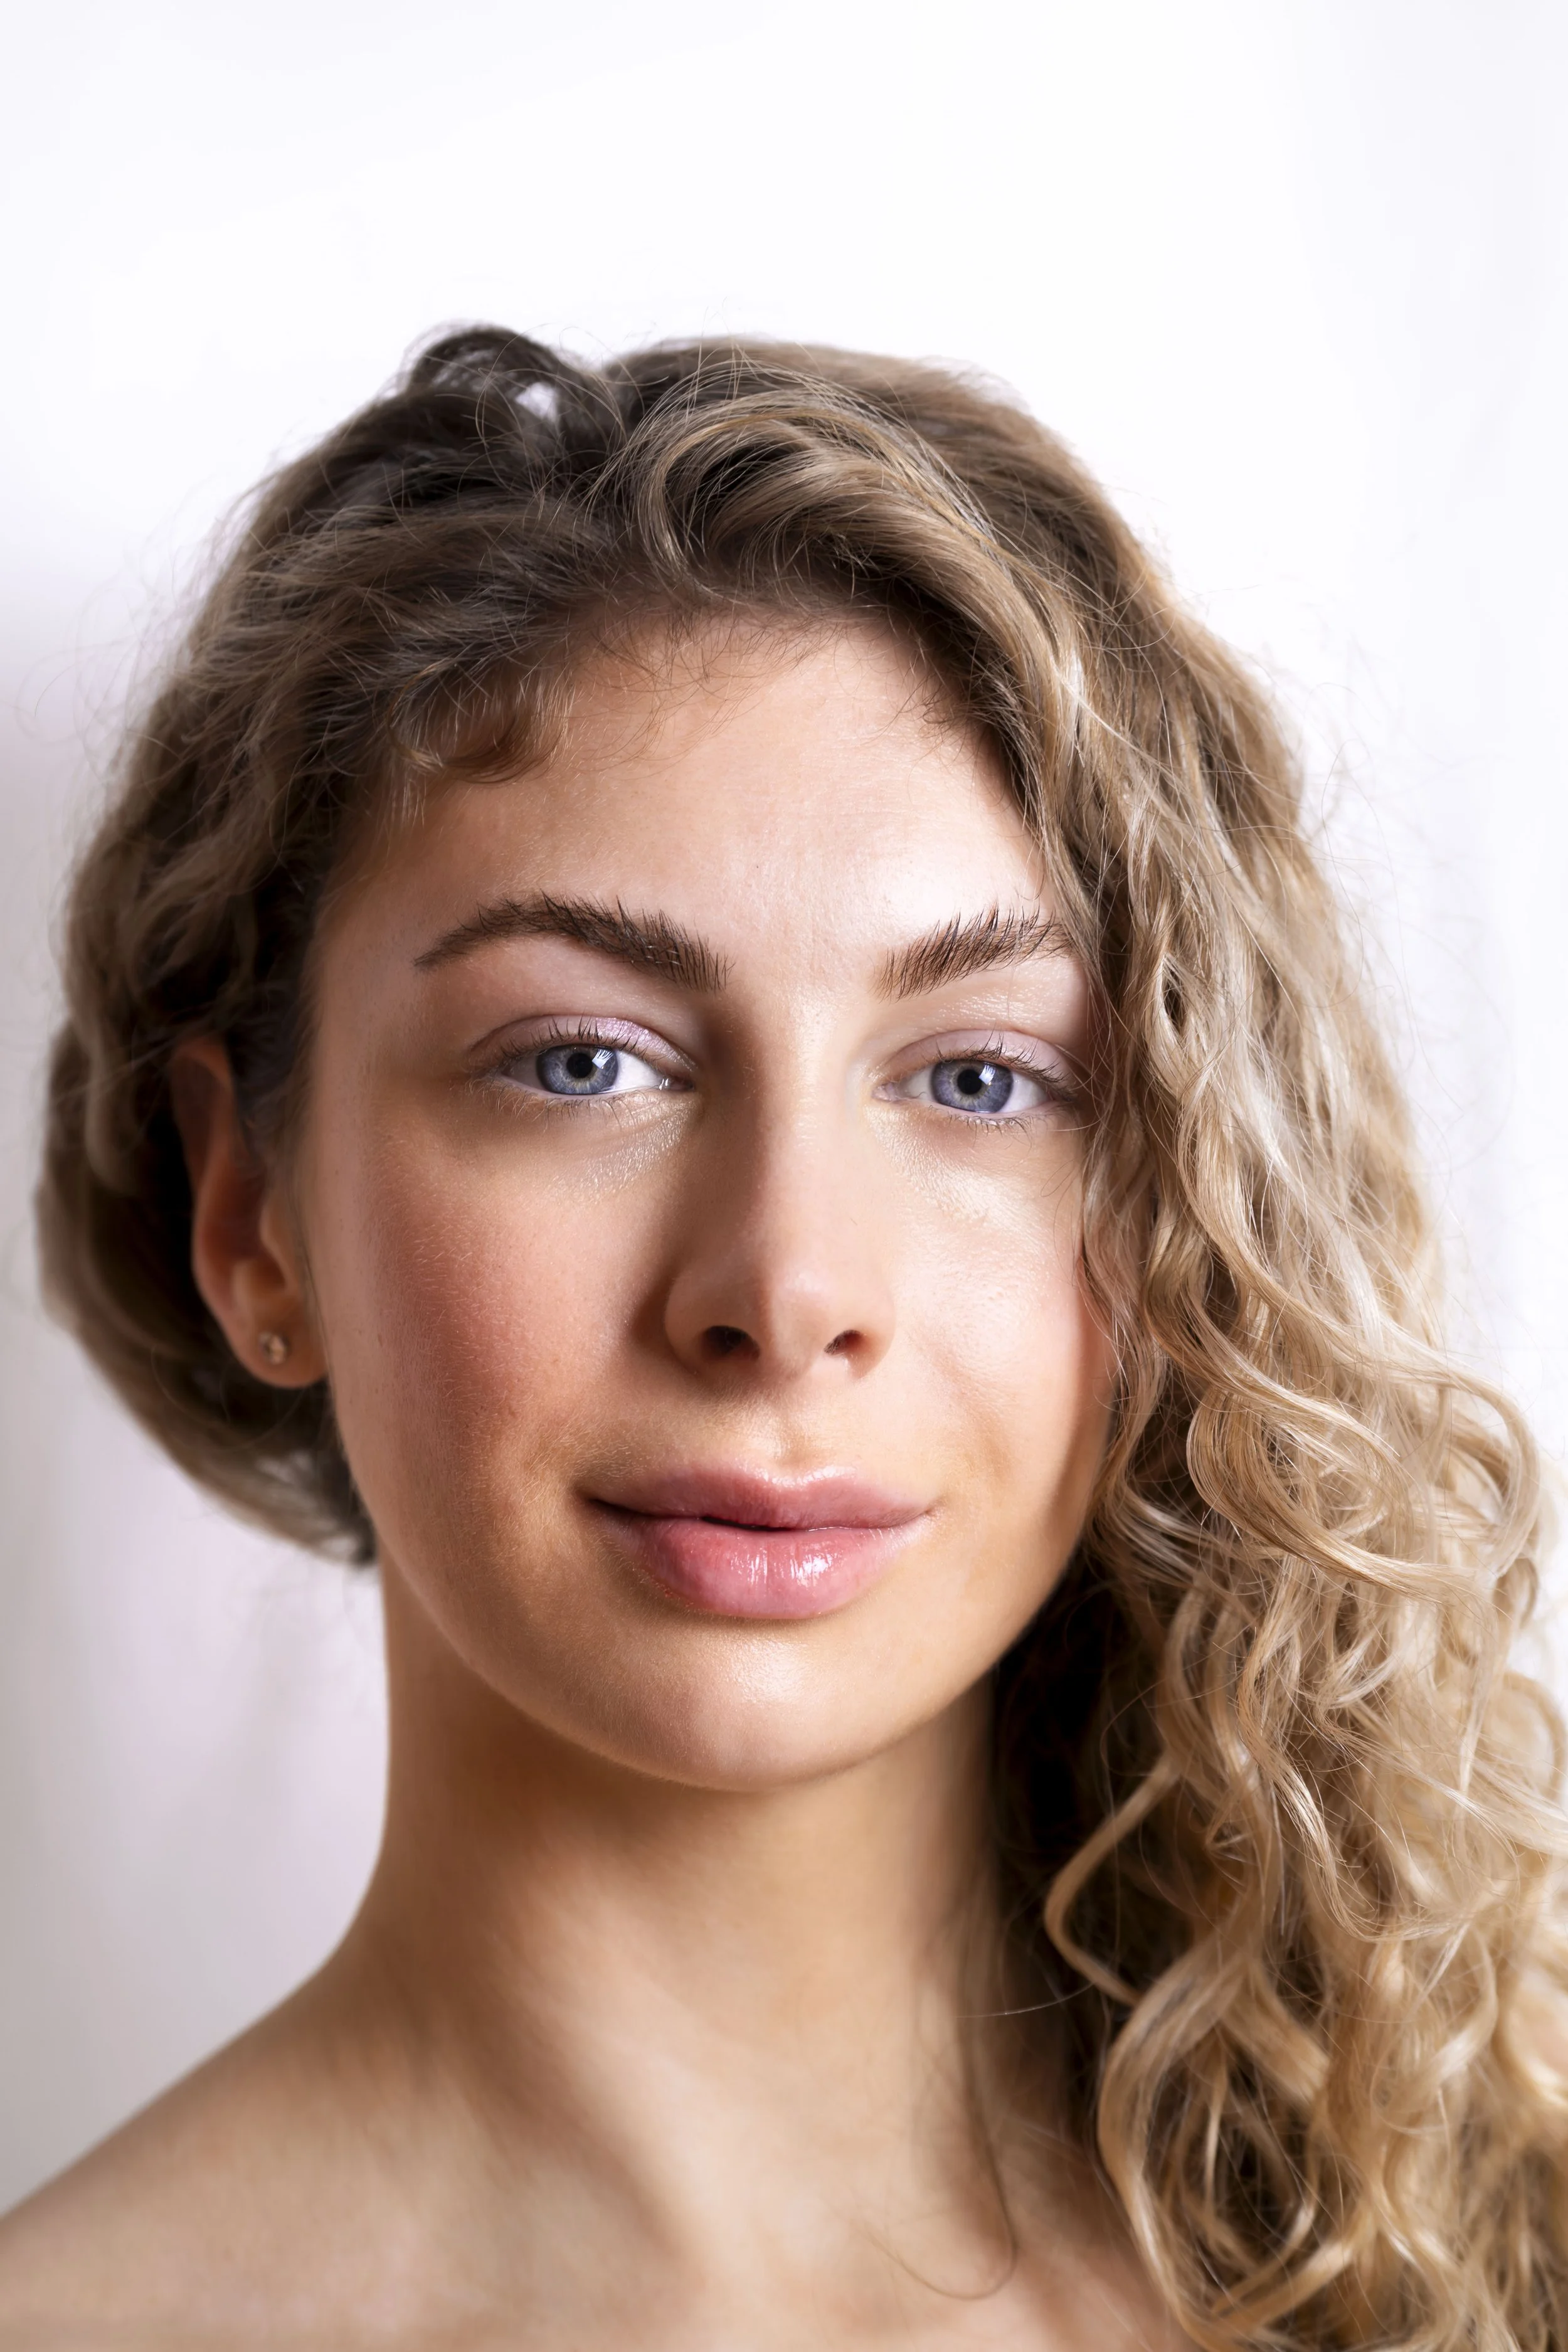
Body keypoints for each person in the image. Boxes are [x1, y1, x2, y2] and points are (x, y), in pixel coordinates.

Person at [0, 329, 1562, 2351]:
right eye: (582, 1060)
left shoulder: (1501, 2230)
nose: (785, 1284)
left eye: (980, 1081)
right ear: (252, 1218)